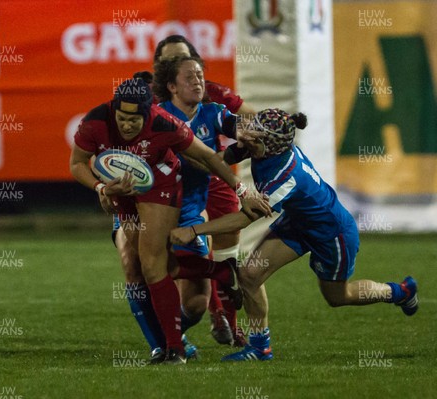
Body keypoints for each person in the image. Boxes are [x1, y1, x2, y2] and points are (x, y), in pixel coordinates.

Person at [170, 108, 419, 361]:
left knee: (338, 297)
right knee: (249, 274)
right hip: (298, 223)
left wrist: (193, 230)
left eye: (254, 131)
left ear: (266, 144)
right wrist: (181, 149)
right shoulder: (261, 146)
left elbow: (244, 219)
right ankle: (260, 348)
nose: (246, 131)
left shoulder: (284, 178)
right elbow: (217, 160)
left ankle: (400, 292)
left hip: (332, 234)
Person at [70, 78, 270, 364]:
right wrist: (100, 188)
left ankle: (174, 350)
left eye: (134, 120)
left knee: (152, 265)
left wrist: (243, 191)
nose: (127, 125)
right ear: (113, 110)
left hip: (160, 182)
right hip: (119, 187)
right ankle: (217, 271)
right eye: (122, 118)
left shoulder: (164, 123)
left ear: (148, 113)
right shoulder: (95, 121)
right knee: (145, 263)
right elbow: (77, 162)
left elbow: (208, 157)